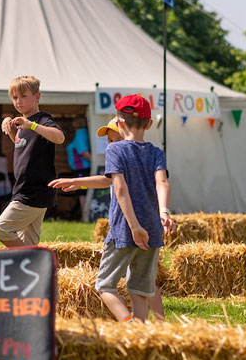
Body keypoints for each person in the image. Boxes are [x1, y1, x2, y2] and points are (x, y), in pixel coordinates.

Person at [51, 116, 172, 321]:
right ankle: (156, 324)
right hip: (149, 225)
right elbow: (106, 180)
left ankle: (137, 323)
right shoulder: (149, 154)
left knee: (116, 284)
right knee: (144, 283)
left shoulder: (124, 154)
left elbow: (118, 186)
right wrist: (78, 183)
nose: (111, 145)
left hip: (125, 228)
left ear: (125, 133)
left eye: (115, 140)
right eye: (109, 141)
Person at [92, 96, 174, 322]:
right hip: (153, 229)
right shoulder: (157, 152)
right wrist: (164, 211)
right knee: (140, 289)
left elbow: (120, 190)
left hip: (125, 230)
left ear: (119, 123)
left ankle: (129, 326)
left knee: (105, 285)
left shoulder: (115, 150)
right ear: (149, 124)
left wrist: (134, 226)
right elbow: (162, 183)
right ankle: (142, 333)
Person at [0, 76, 64, 247]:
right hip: (26, 189)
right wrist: (9, 128)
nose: (19, 101)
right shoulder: (22, 123)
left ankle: (37, 259)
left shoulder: (42, 120)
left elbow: (59, 138)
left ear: (37, 96)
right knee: (29, 242)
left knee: (1, 229)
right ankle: (34, 268)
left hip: (34, 191)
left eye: (24, 96)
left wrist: (31, 125)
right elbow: (23, 146)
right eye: (15, 97)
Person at [65, 117, 91, 220]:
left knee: (82, 191)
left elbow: (83, 151)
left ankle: (85, 216)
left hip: (81, 169)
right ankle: (84, 215)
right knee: (82, 190)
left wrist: (93, 161)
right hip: (81, 168)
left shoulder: (80, 134)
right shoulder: (83, 134)